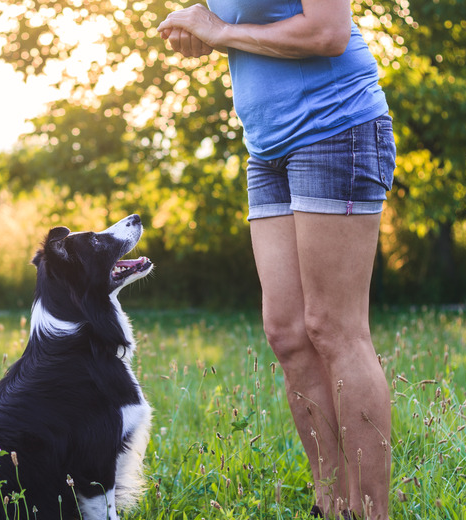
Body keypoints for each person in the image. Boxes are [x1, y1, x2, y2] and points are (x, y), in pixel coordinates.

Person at [158, 1, 395, 519]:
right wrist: (199, 28)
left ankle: (372, 513)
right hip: (267, 148)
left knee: (334, 327)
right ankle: (332, 506)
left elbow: (329, 32)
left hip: (336, 130)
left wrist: (222, 31)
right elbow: (238, 21)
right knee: (287, 332)